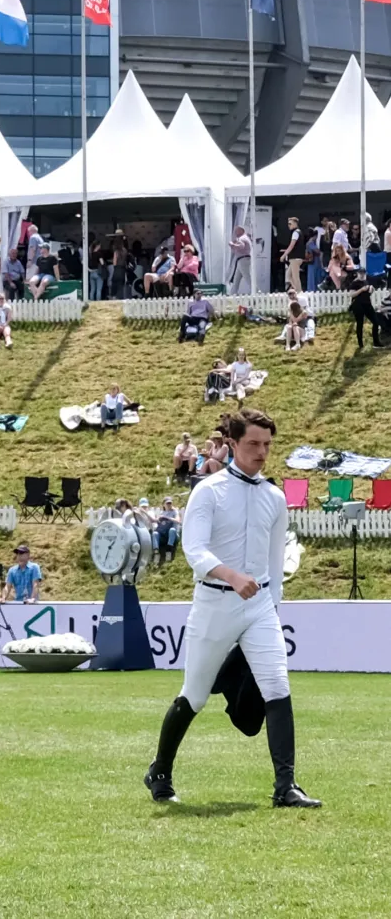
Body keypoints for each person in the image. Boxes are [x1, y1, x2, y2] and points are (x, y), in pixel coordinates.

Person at [144, 409, 321, 809]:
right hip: (214, 603)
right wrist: (232, 576)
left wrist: (272, 608)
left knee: (278, 686)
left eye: (267, 445)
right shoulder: (208, 490)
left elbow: (275, 564)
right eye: (253, 444)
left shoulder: (275, 498)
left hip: (259, 606)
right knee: (195, 695)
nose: (262, 452)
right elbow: (194, 551)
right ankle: (159, 770)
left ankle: (286, 786)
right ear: (232, 444)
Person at [350, 269, 385, 350]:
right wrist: (361, 290)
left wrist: (371, 291)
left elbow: (366, 294)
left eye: (363, 273)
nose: (362, 275)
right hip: (358, 305)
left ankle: (376, 342)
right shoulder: (354, 283)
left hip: (367, 304)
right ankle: (360, 344)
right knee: (360, 324)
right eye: (360, 273)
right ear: (357, 274)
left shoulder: (366, 281)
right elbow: (351, 295)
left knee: (376, 322)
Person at [153, 497, 181, 563]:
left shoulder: (174, 512)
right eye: (167, 503)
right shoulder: (161, 513)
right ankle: (156, 552)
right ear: (164, 505)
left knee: (172, 530)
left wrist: (167, 518)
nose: (169, 505)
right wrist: (159, 520)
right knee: (155, 533)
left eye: (170, 503)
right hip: (163, 534)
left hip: (173, 535)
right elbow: (157, 522)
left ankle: (169, 551)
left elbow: (178, 521)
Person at [280, 217, 304, 292]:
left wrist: (284, 255)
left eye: (290, 224)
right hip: (295, 258)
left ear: (295, 223)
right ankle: (298, 290)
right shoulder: (297, 232)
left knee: (295, 277)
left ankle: (299, 292)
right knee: (289, 275)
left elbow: (292, 245)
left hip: (295, 258)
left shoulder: (295, 233)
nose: (288, 225)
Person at [228, 226, 253, 294]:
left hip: (243, 260)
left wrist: (232, 244)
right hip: (242, 260)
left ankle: (257, 292)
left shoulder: (242, 238)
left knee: (248, 278)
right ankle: (232, 294)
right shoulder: (246, 238)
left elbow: (241, 246)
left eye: (236, 231)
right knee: (236, 279)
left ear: (241, 231)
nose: (235, 233)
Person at [303, 228, 324, 292]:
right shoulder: (310, 243)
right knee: (312, 276)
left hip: (316, 261)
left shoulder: (313, 242)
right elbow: (317, 251)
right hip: (313, 261)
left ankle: (316, 289)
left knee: (316, 275)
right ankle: (311, 290)